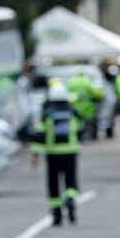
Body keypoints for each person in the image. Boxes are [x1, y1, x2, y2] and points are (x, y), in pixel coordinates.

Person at [29, 81, 81, 226]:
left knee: (54, 184)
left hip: (53, 154)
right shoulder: (72, 112)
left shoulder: (47, 114)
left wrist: (35, 155)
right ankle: (70, 200)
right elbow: (80, 128)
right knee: (70, 181)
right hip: (70, 152)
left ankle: (57, 216)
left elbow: (39, 135)